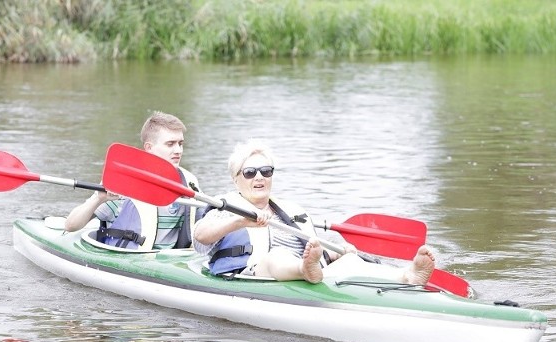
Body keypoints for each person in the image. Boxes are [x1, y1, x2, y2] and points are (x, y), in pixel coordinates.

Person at [192, 139, 435, 284]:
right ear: (236, 180)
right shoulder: (226, 206)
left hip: (309, 267)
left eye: (266, 171)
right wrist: (239, 222)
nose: (259, 177)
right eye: (250, 172)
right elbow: (200, 235)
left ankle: (406, 276)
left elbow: (313, 247)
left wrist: (336, 253)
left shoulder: (289, 210)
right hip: (254, 274)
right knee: (276, 257)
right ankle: (305, 271)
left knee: (349, 259)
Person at [64, 111, 201, 250]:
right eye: (170, 144)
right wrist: (98, 199)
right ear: (149, 148)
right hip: (130, 258)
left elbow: (202, 226)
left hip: (171, 260)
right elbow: (71, 226)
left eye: (180, 143)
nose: (178, 150)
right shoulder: (123, 182)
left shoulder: (189, 182)